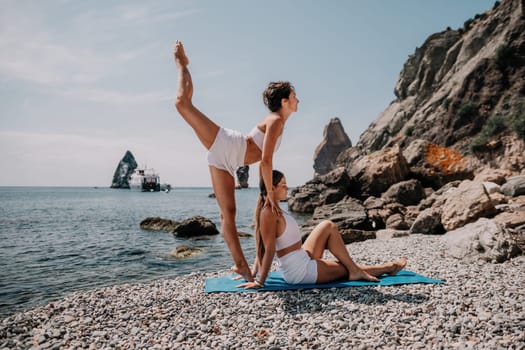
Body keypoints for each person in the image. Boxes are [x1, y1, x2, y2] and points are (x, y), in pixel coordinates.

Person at [173, 41, 299, 282]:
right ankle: (181, 64)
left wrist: (270, 193)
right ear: (284, 101)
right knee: (182, 104)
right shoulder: (275, 120)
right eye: (294, 96)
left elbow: (266, 161)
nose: (298, 100)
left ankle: (242, 267)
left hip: (227, 161)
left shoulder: (279, 122)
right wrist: (270, 195)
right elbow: (266, 160)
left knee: (227, 215)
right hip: (227, 144)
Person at [238, 170, 407, 289]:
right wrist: (260, 281)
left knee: (328, 225)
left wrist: (254, 271)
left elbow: (262, 244)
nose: (287, 188)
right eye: (283, 185)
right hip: (299, 270)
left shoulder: (275, 208)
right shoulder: (268, 212)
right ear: (271, 188)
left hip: (302, 255)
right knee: (344, 269)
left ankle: (355, 270)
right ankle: (388, 267)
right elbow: (267, 248)